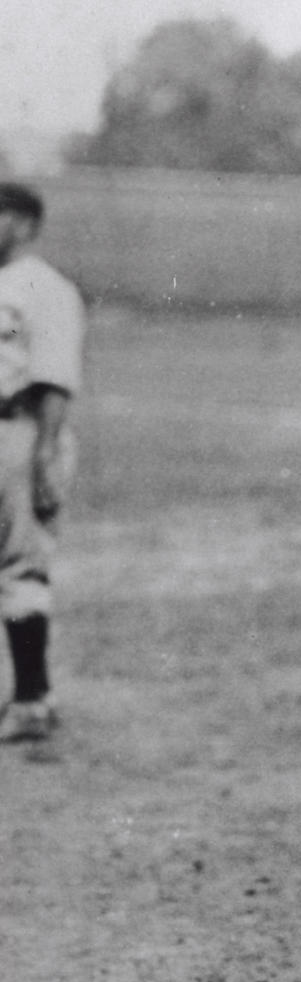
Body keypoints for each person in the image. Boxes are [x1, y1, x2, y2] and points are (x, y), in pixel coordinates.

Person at [0, 182, 85, 743]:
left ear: (26, 224)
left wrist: (46, 454)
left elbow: (53, 378)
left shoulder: (43, 287)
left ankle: (33, 699)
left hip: (22, 430)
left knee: (21, 564)